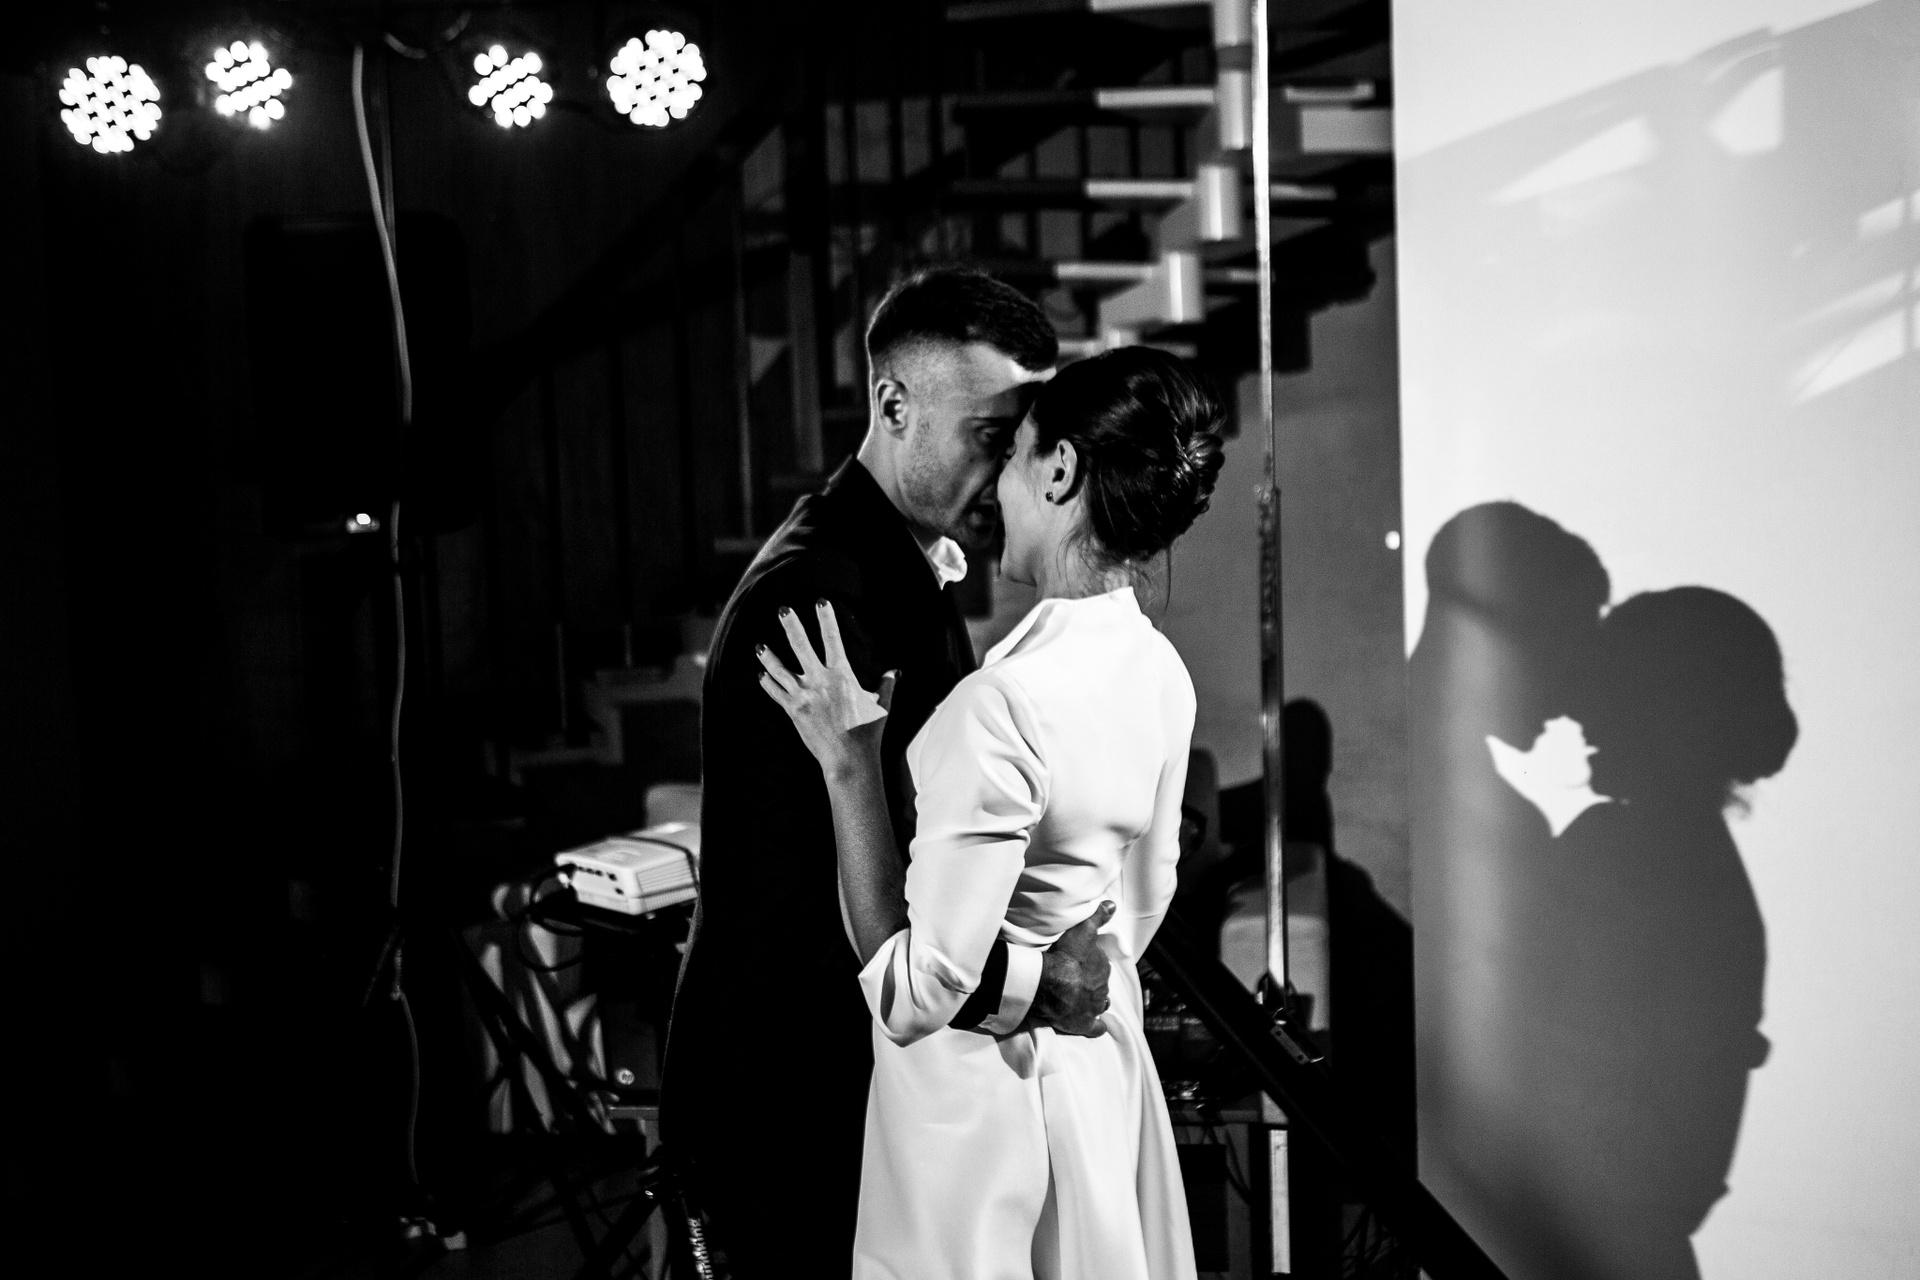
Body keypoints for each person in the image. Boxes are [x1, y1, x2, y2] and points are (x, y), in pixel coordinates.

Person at [661, 267, 1116, 1279]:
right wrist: (1032, 984)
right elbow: (826, 902)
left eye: (1020, 437)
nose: (1009, 466)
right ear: (893, 403)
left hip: (840, 1084)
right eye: (990, 435)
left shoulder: (890, 562)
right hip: (792, 1105)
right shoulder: (819, 600)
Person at [758, 347, 1226, 1279]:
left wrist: (850, 766)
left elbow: (911, 996)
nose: (994, 488)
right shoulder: (1160, 674)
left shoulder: (1003, 703)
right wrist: (1049, 971)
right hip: (1097, 1085)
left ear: (1059, 472)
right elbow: (1137, 910)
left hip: (977, 1125)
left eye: (1012, 455)